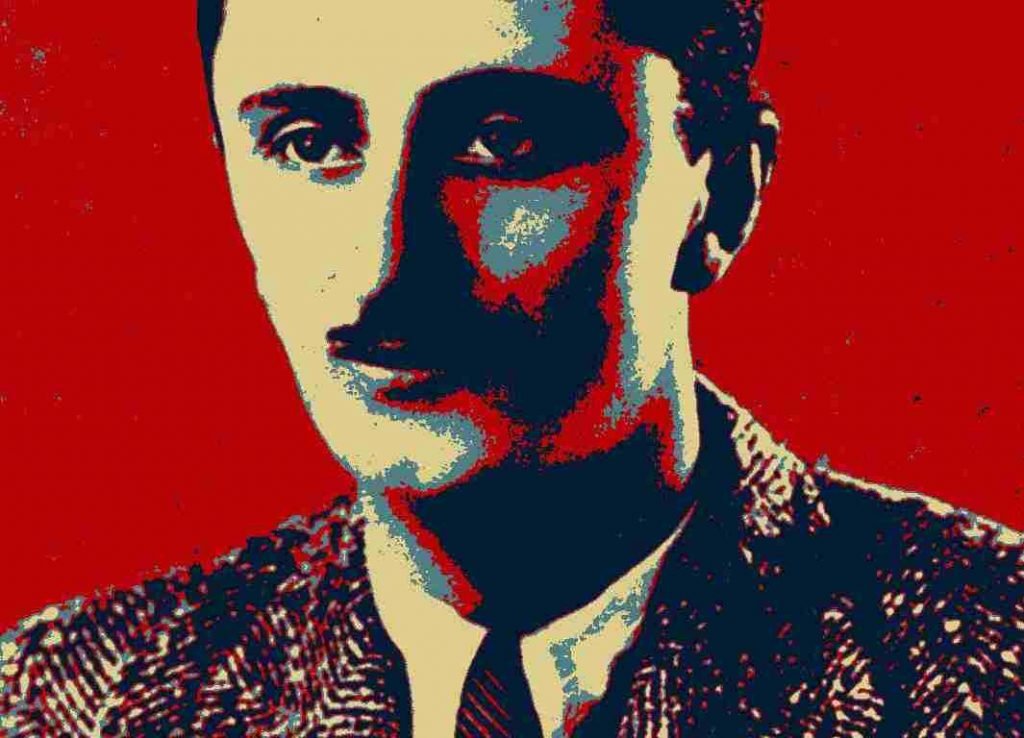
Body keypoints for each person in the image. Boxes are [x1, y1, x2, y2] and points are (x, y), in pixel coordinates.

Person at [3, 1, 1022, 735]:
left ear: (722, 197)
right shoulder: (62, 701)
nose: (382, 273)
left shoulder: (986, 661)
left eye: (504, 142)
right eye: (310, 144)